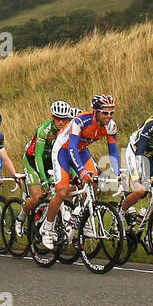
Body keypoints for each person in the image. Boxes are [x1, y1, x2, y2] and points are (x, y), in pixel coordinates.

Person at [42, 94, 120, 247]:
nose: (109, 116)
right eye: (105, 112)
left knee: (95, 181)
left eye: (111, 112)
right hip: (63, 151)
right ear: (95, 112)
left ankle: (81, 217)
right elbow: (71, 148)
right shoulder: (81, 121)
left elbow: (113, 152)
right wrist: (81, 171)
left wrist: (118, 174)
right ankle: (47, 227)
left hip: (82, 151)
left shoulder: (111, 126)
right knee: (63, 191)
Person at [19, 101, 75, 240]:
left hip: (52, 161)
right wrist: (43, 179)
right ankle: (20, 217)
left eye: (64, 119)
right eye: (57, 118)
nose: (61, 122)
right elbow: (38, 156)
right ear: (52, 117)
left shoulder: (69, 132)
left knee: (64, 191)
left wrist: (74, 175)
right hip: (33, 160)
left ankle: (51, 222)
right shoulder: (44, 130)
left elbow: (70, 156)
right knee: (38, 197)